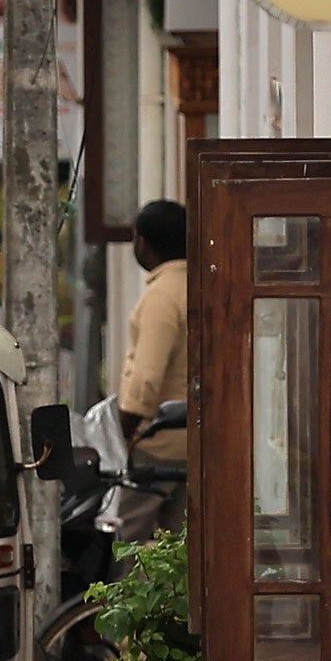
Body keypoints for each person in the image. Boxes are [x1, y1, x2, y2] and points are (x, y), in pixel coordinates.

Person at [121, 197, 190, 468]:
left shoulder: (162, 297)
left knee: (125, 511)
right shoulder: (203, 286)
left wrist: (123, 434)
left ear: (142, 242)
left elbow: (147, 378)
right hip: (200, 442)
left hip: (158, 447)